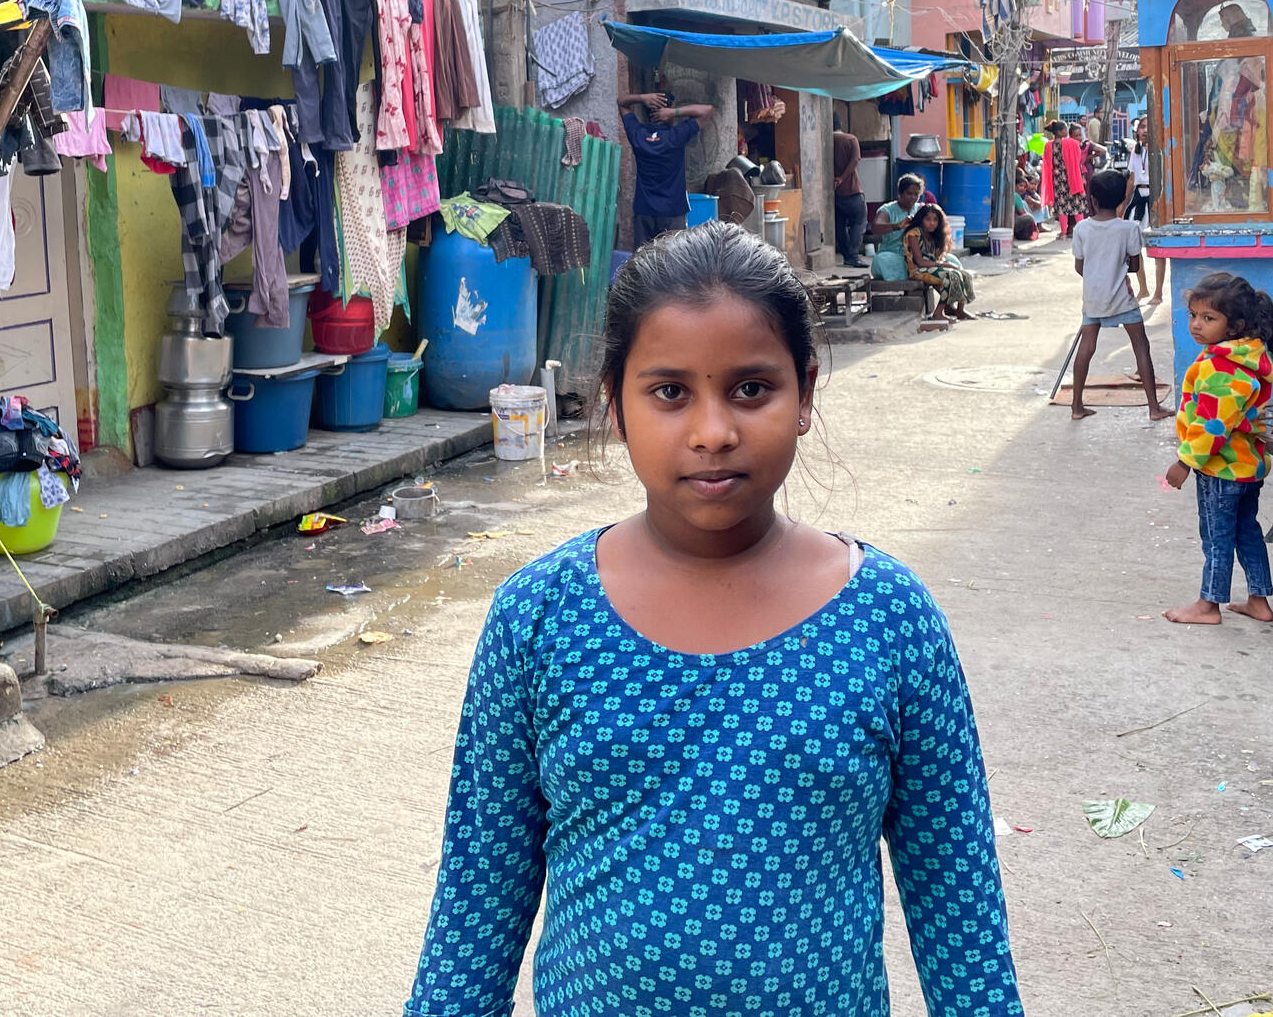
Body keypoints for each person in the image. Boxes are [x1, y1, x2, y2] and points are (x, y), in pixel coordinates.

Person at [406, 222, 1024, 1017]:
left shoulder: (887, 619)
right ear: (615, 406)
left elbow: (957, 903)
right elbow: (479, 896)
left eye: (750, 389)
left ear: (804, 393)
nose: (712, 432)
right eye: (669, 392)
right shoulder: (539, 617)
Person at [1162, 273, 1273, 627]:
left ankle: (1208, 605)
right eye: (1193, 316)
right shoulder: (1248, 358)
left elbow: (1213, 425)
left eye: (1209, 318)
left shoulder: (1222, 367)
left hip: (1220, 469)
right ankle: (1258, 600)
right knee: (1246, 532)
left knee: (1217, 538)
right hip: (1247, 466)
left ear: (1235, 326)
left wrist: (1185, 462)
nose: (1197, 325)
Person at [1068, 170, 1171, 423]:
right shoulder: (1129, 229)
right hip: (1123, 298)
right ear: (1122, 198)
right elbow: (1135, 266)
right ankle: (1154, 408)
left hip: (1093, 297)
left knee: (1087, 347)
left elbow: (1079, 267)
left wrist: (1097, 276)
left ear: (1092, 199)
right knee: (1141, 347)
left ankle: (1077, 405)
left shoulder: (1082, 228)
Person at [619, 90, 713, 247]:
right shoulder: (676, 136)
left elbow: (621, 101)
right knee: (673, 262)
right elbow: (707, 110)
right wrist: (674, 112)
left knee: (643, 262)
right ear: (667, 112)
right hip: (672, 211)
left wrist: (642, 98)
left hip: (644, 210)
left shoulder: (638, 136)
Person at [904, 202, 976, 324]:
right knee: (951, 275)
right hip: (917, 270)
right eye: (928, 219)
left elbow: (937, 257)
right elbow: (919, 261)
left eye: (935, 220)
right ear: (921, 219)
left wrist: (944, 264)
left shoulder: (935, 235)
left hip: (932, 267)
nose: (932, 223)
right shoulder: (913, 234)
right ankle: (938, 313)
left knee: (963, 274)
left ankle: (959, 310)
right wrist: (943, 265)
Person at [1126, 118, 1167, 306]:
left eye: (1147, 127)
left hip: (1156, 198)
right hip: (1138, 199)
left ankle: (1158, 292)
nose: (1144, 131)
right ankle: (1143, 288)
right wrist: (1123, 204)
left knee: (1157, 246)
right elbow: (1132, 178)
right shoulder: (1135, 151)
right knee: (1135, 246)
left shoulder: (1159, 150)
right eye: (1141, 127)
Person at [869, 171, 925, 281]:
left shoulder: (920, 209)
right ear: (900, 193)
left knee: (950, 259)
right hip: (894, 256)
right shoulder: (888, 210)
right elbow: (875, 227)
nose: (913, 197)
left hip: (916, 257)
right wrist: (897, 226)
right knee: (880, 260)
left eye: (916, 194)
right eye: (909, 193)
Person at [1040, 121, 1092, 239]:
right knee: (1077, 205)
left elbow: (1048, 164)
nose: (1066, 132)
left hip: (1057, 179)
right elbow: (1077, 162)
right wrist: (1081, 177)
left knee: (1062, 206)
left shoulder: (1048, 146)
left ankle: (1063, 232)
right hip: (1072, 178)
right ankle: (1081, 232)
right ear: (1060, 132)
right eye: (1065, 130)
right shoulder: (1072, 143)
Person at [832, 112, 867, 267]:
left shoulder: (826, 140)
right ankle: (853, 255)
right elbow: (855, 160)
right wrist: (842, 178)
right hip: (852, 190)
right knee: (859, 222)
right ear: (840, 124)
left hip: (834, 193)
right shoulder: (850, 139)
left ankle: (846, 254)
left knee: (839, 224)